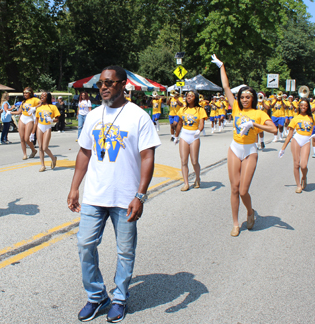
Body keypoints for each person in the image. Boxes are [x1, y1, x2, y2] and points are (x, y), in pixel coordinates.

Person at [67, 66, 160, 323]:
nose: (104, 87)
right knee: (85, 244)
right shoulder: (94, 115)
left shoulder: (138, 116)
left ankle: (119, 298)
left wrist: (140, 195)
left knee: (125, 251)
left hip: (125, 198)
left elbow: (148, 156)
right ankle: (97, 296)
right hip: (95, 196)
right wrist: (75, 187)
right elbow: (84, 152)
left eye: (109, 83)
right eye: (100, 84)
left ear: (123, 84)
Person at [211, 54, 277, 237]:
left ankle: (249, 211)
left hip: (250, 151)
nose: (245, 99)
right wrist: (221, 66)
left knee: (243, 190)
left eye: (248, 97)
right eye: (242, 96)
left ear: (253, 98)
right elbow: (225, 86)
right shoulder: (236, 108)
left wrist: (254, 125)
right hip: (235, 148)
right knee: (234, 188)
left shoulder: (259, 113)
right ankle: (234, 223)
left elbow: (274, 130)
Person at [279, 98, 315, 193]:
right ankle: (298, 185)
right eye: (301, 105)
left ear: (308, 106)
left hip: (306, 140)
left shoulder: (313, 117)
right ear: (299, 107)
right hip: (296, 139)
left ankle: (304, 177)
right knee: (296, 164)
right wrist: (283, 148)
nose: (303, 107)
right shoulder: (295, 118)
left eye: (305, 105)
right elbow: (290, 135)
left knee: (303, 165)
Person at [174, 90, 208, 191]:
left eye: (191, 96)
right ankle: (186, 183)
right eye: (187, 96)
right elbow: (180, 124)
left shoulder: (200, 110)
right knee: (184, 161)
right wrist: (176, 136)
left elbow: (202, 124)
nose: (189, 97)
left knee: (194, 161)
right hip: (184, 135)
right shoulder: (183, 109)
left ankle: (197, 178)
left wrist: (199, 130)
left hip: (194, 136)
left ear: (195, 98)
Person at [32, 92, 60, 172]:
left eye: (44, 96)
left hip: (47, 127)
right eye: (41, 96)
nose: (42, 97)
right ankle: (42, 165)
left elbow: (57, 119)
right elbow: (36, 121)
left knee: (45, 147)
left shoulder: (53, 107)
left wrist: (52, 120)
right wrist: (32, 133)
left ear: (47, 97)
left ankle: (53, 158)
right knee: (40, 147)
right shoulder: (38, 108)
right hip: (40, 127)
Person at [10, 87, 39, 160]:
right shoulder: (23, 102)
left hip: (30, 119)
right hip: (22, 118)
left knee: (26, 138)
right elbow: (19, 111)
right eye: (24, 93)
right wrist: (10, 112)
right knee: (22, 138)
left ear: (30, 93)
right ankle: (25, 154)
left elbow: (41, 103)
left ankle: (33, 150)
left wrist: (35, 108)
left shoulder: (34, 99)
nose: (25, 94)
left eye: (26, 93)